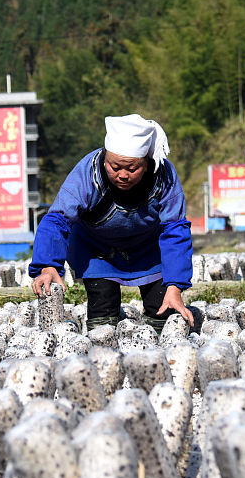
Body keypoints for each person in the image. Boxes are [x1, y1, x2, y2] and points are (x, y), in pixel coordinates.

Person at [29, 115, 194, 331]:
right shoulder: (87, 173)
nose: (123, 175)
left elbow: (175, 229)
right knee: (102, 313)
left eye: (132, 169)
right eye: (115, 167)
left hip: (149, 249)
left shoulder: (164, 176)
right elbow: (57, 219)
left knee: (162, 312)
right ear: (105, 158)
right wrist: (48, 265)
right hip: (97, 249)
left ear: (146, 163)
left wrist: (175, 286)